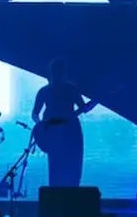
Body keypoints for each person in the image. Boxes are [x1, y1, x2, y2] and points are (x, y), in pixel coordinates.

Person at [31, 59, 97, 188]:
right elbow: (84, 109)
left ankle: (65, 195)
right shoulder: (52, 90)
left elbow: (35, 114)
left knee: (66, 167)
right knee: (65, 167)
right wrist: (42, 126)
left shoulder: (63, 89)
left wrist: (42, 125)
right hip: (63, 131)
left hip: (67, 131)